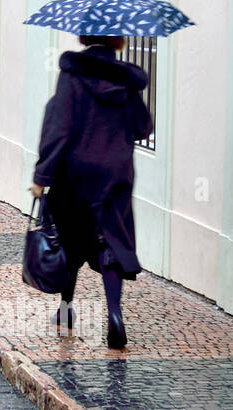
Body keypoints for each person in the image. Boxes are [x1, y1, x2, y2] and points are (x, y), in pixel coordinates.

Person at [29, 35, 153, 349]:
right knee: (110, 238)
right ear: (118, 41)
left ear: (85, 36)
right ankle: (114, 314)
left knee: (71, 241)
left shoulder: (72, 74)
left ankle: (67, 308)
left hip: (75, 173)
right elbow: (143, 127)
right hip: (115, 173)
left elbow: (60, 126)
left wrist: (41, 176)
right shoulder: (126, 80)